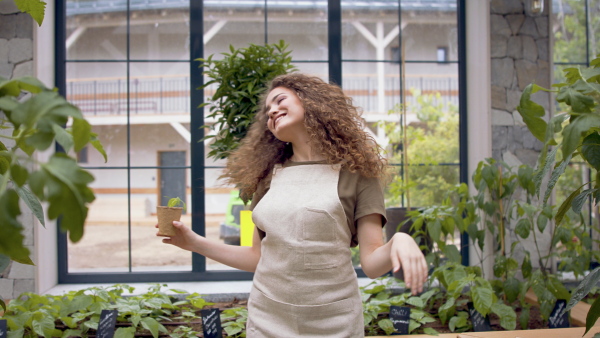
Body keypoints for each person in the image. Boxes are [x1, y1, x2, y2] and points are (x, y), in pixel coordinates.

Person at [157, 73, 428, 337]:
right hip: (267, 317)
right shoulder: (267, 178)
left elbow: (371, 264)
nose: (272, 111)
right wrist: (193, 242)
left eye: (280, 100)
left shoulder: (356, 174)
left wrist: (399, 240)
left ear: (310, 101)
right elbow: (258, 257)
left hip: (334, 321)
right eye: (267, 110)